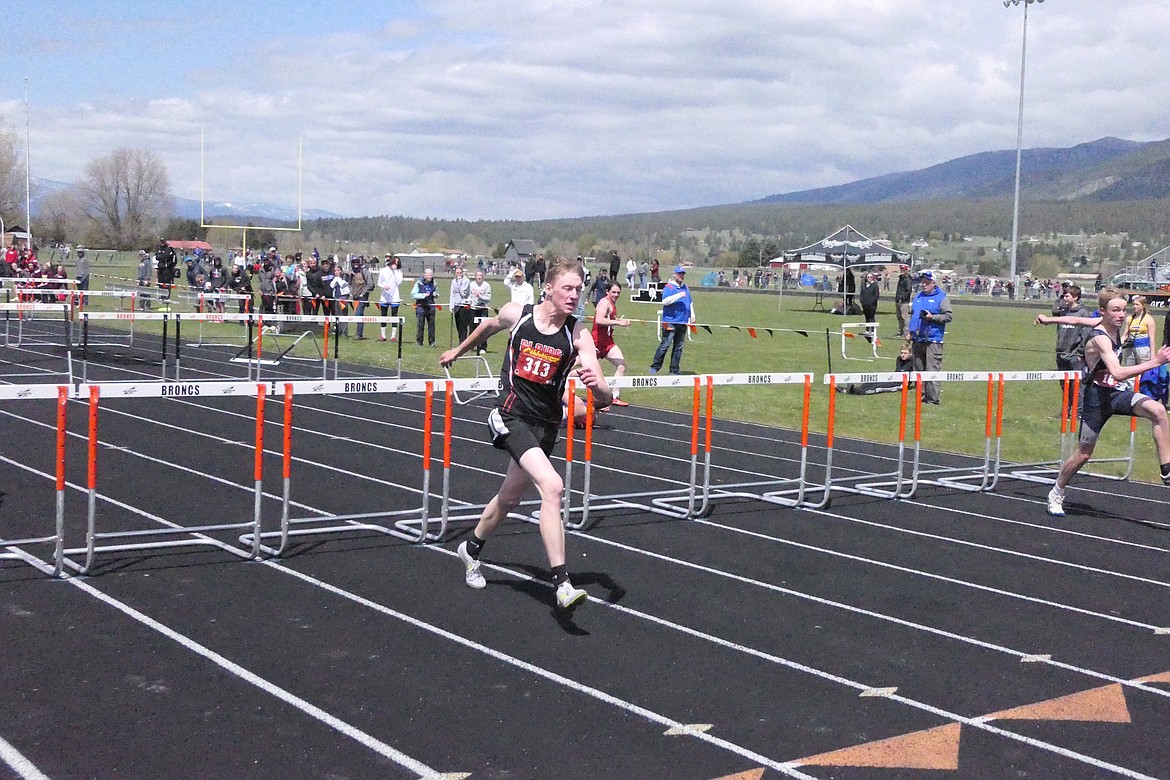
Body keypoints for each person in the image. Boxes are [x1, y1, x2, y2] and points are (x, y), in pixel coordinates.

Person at [439, 259, 612, 610]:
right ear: (548, 288)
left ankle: (470, 549)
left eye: (579, 290)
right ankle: (562, 582)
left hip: (545, 426)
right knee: (553, 487)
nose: (575, 296)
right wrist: (458, 351)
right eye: (568, 288)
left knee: (509, 497)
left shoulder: (577, 334)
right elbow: (490, 325)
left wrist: (600, 389)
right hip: (509, 415)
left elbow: (604, 393)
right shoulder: (518, 313)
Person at [1035, 290, 1170, 517]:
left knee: (1157, 410)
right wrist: (1155, 362)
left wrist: (1049, 320)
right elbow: (1117, 372)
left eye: (1124, 310)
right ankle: (1057, 491)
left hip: (1117, 394)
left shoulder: (1113, 326)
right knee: (1083, 454)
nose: (1121, 315)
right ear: (1103, 312)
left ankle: (1166, 470)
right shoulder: (1100, 337)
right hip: (1097, 398)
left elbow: (1075, 319)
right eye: (1116, 310)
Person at [906, 271, 952, 405]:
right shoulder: (918, 296)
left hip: (933, 339)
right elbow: (913, 315)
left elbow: (948, 316)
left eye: (926, 282)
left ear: (933, 283)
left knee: (932, 369)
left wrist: (933, 317)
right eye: (922, 282)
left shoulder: (942, 297)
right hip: (917, 339)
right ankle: (920, 396)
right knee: (918, 369)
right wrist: (910, 331)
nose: (924, 284)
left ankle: (932, 399)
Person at [592, 280, 631, 408]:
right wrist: (619, 323)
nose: (616, 295)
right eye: (613, 292)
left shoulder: (612, 304)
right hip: (596, 342)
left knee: (621, 365)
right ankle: (565, 381)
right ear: (607, 291)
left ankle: (615, 396)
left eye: (618, 293)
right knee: (581, 368)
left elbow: (609, 319)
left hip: (608, 343)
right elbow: (599, 320)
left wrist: (620, 320)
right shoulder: (604, 303)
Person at [650, 265, 695, 375]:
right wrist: (678, 295)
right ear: (674, 274)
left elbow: (690, 302)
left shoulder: (686, 287)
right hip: (669, 320)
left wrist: (692, 314)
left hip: (682, 321)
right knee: (665, 344)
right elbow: (665, 301)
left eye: (683, 274)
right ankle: (655, 366)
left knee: (679, 346)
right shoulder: (669, 287)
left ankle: (674, 369)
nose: (681, 276)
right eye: (679, 274)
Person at [837, 343, 914, 395]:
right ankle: (850, 389)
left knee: (877, 387)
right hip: (892, 378)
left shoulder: (913, 362)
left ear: (910, 354)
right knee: (871, 382)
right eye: (902, 353)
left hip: (900, 384)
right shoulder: (899, 359)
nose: (903, 355)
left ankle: (856, 392)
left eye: (905, 353)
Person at [1052, 284, 1090, 372]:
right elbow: (1060, 332)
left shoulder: (1083, 313)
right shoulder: (1063, 312)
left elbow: (1085, 336)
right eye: (1064, 296)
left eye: (1067, 296)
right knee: (1064, 384)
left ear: (1075, 297)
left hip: (1075, 356)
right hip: (1061, 354)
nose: (1064, 298)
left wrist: (1079, 353)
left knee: (1076, 384)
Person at [1122, 295, 1156, 367]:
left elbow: (1152, 338)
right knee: (1129, 371)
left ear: (1143, 306)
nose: (1135, 306)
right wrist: (1120, 344)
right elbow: (1125, 334)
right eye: (1133, 304)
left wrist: (1152, 354)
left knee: (1144, 370)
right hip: (1130, 348)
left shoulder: (1148, 319)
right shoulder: (1129, 318)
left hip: (1143, 349)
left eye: (1137, 304)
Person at [377, 255, 403, 342]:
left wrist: (395, 271)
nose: (396, 264)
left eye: (397, 262)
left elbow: (399, 282)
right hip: (384, 297)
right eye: (395, 262)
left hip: (395, 297)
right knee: (383, 316)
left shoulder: (399, 271)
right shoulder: (383, 270)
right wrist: (384, 286)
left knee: (394, 316)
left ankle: (393, 336)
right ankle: (383, 335)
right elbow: (379, 283)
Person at [411, 267, 438, 346]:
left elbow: (436, 292)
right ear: (424, 275)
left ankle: (432, 342)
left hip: (431, 306)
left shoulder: (434, 283)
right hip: (421, 306)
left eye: (431, 275)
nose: (430, 276)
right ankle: (419, 342)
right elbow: (413, 294)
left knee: (432, 325)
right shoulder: (419, 283)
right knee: (420, 325)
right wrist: (423, 295)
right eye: (428, 275)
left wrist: (436, 294)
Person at [468, 269, 492, 354]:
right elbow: (468, 296)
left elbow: (488, 298)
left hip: (483, 309)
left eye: (480, 275)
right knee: (472, 328)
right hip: (473, 309)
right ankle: (470, 345)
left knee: (483, 329)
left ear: (483, 277)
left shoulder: (486, 286)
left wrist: (480, 296)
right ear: (475, 276)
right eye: (477, 275)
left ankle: (483, 347)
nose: (479, 277)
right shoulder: (471, 285)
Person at [449, 266, 474, 344]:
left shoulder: (466, 281)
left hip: (464, 305)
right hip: (456, 305)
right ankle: (461, 342)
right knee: (458, 326)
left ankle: (463, 343)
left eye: (460, 273)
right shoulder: (453, 281)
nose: (458, 274)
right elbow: (452, 294)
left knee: (463, 326)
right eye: (457, 273)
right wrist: (451, 305)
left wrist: (460, 282)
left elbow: (463, 293)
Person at [351, 257, 374, 339]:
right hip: (355, 297)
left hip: (362, 297)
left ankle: (359, 334)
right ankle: (358, 333)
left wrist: (363, 293)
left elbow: (370, 284)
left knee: (359, 314)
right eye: (353, 262)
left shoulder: (364, 271)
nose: (355, 264)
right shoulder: (352, 272)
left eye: (357, 262)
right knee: (357, 314)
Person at [859, 272, 880, 342]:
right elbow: (862, 294)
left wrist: (871, 302)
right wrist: (861, 301)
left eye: (871, 277)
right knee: (867, 317)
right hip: (865, 305)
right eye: (868, 277)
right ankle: (867, 330)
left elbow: (876, 295)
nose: (869, 278)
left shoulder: (875, 285)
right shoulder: (864, 285)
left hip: (872, 305)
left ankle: (873, 331)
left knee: (872, 317)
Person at [894, 265, 913, 338]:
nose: (902, 270)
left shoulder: (908, 279)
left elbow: (908, 290)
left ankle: (907, 332)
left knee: (905, 316)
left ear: (907, 270)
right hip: (898, 299)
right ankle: (900, 331)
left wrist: (902, 298)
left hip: (904, 301)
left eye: (903, 269)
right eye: (901, 269)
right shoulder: (901, 278)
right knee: (899, 316)